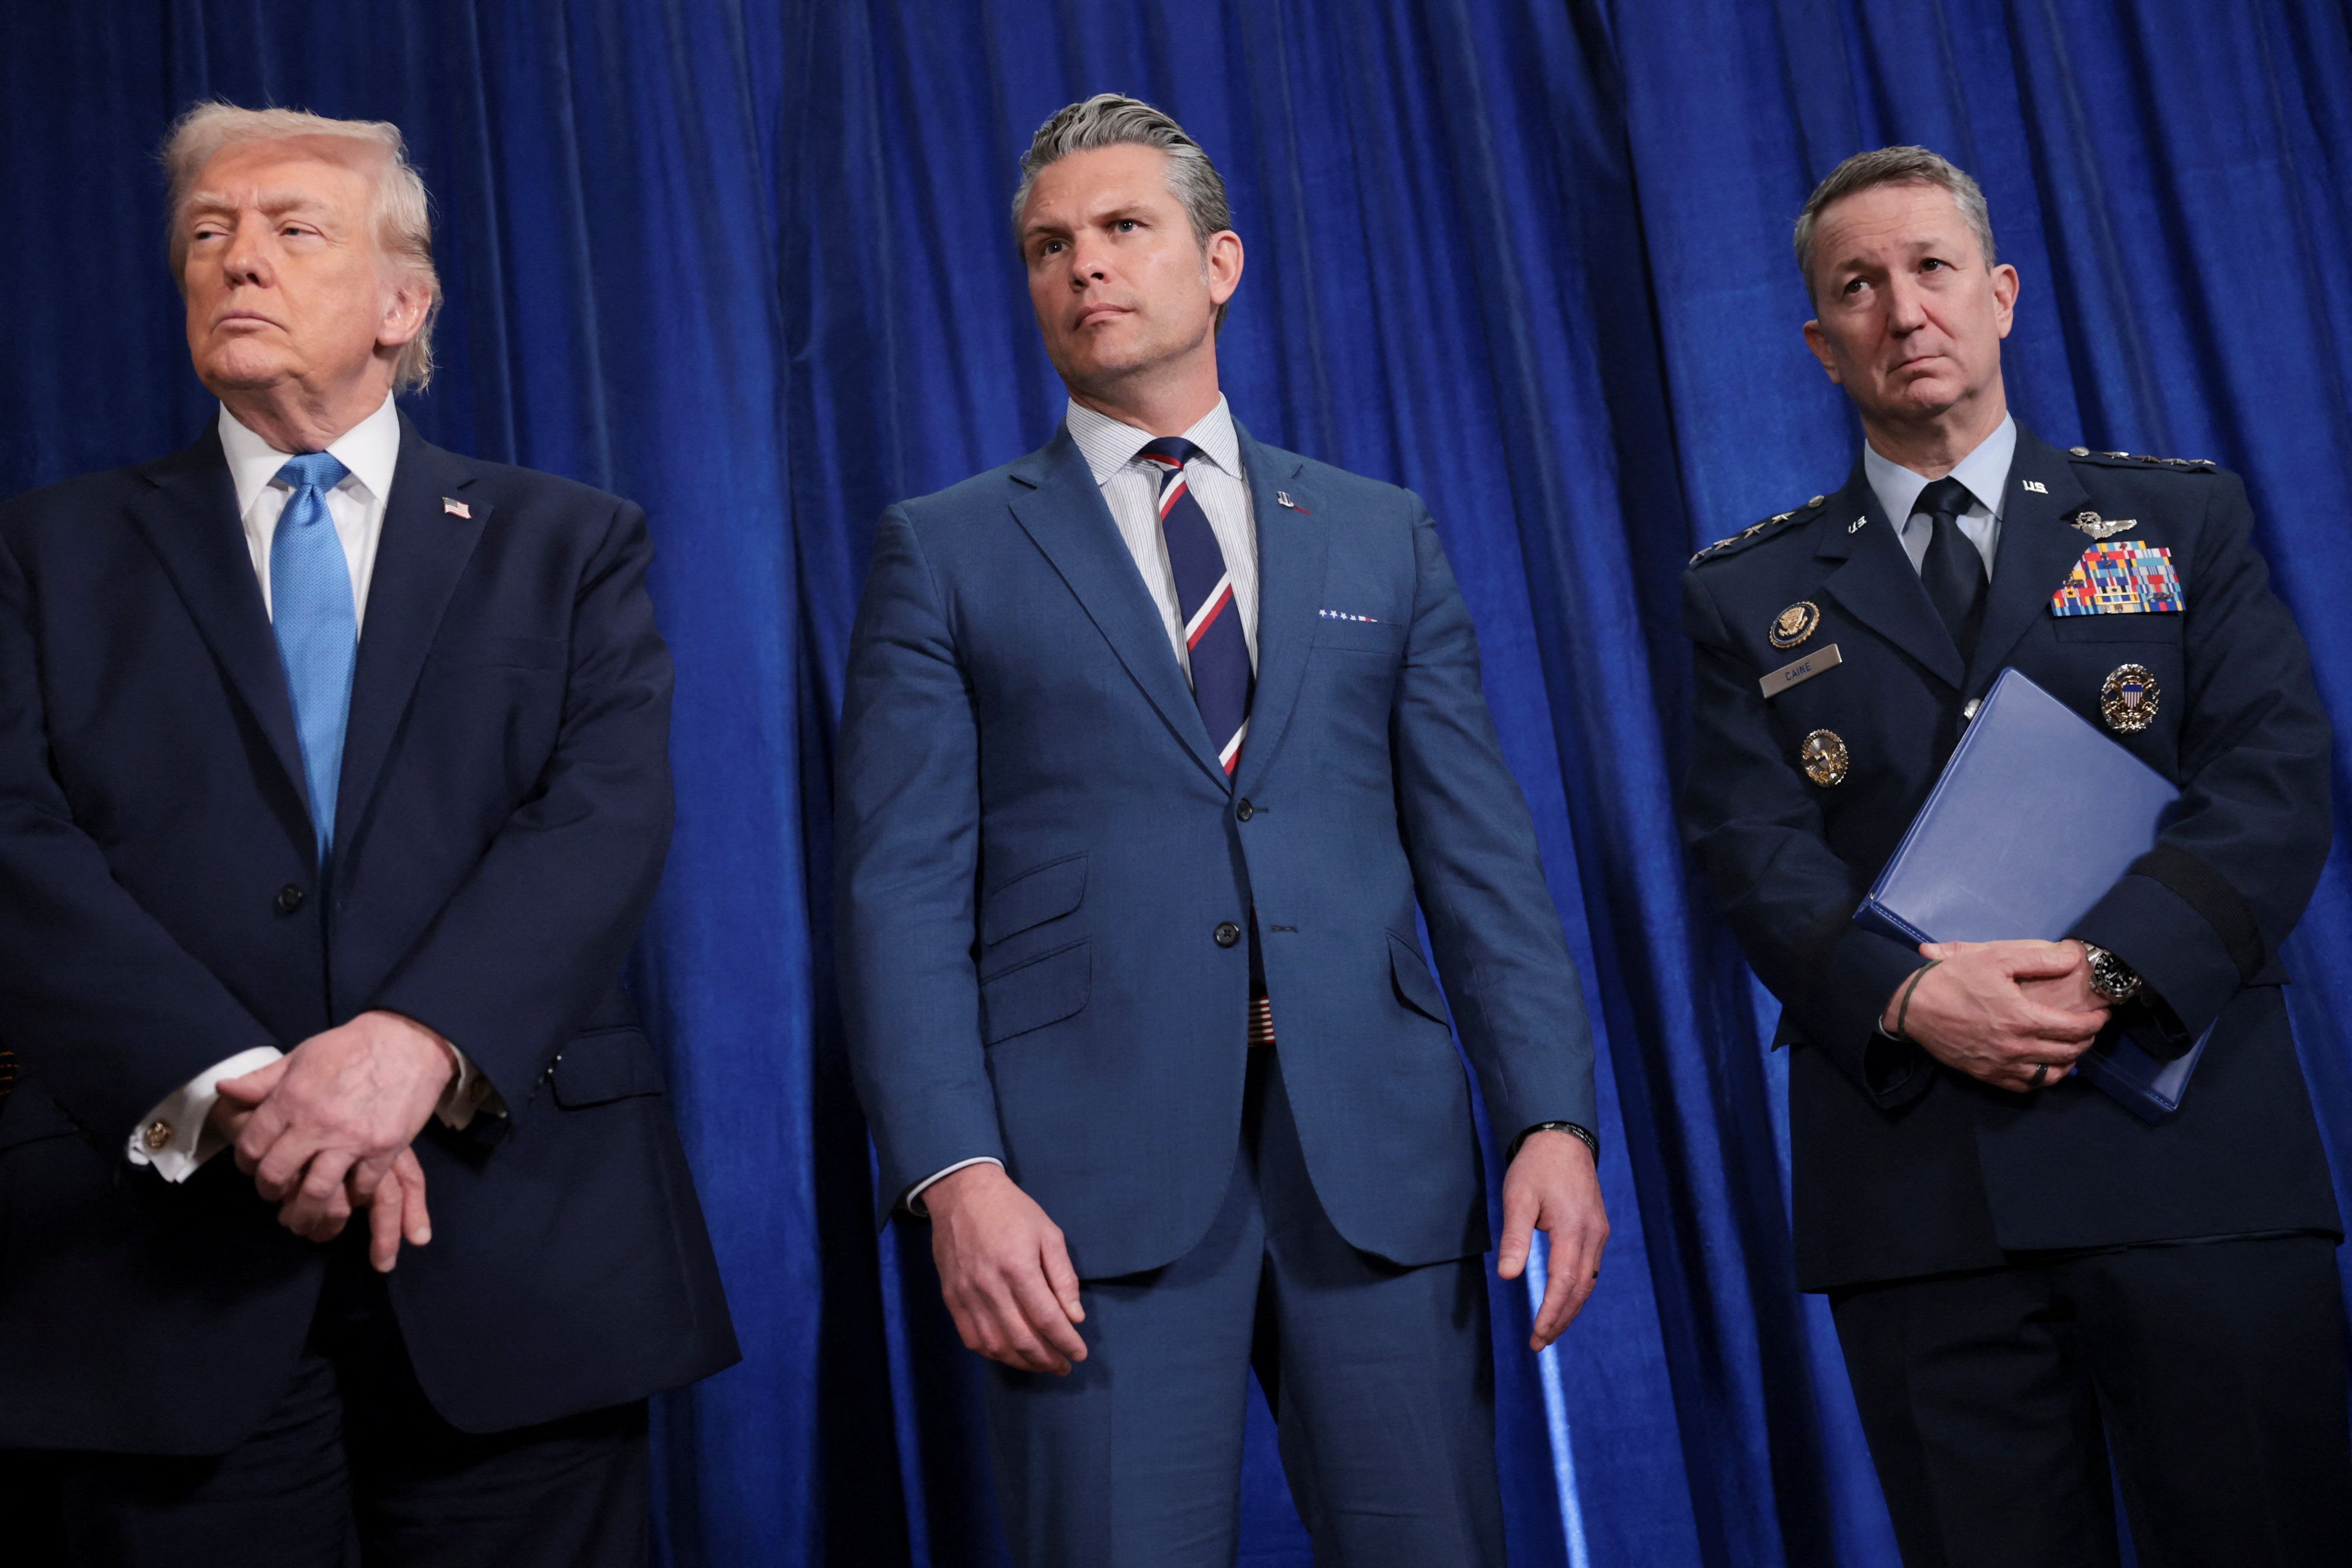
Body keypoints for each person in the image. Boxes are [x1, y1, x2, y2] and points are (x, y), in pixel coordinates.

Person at [835, 94, 1607, 1564]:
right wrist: (956, 1174)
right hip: (1078, 1193)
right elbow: (899, 896)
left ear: (1221, 262)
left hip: (1374, 1171)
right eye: (1050, 246)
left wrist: (1551, 1116)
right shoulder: (944, 550)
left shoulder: (1379, 531)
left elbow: (1481, 856)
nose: (1087, 268)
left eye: (1126, 228)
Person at [0, 104, 737, 1566]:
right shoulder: (47, 552)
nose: (236, 262)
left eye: (290, 229)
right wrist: (238, 1090)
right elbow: (15, 837)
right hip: (157, 1265)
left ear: (404, 305)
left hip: (518, 1252)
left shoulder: (569, 541)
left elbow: (603, 814)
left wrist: (414, 1044)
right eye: (206, 234)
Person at [1680, 145, 2350, 1566]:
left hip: (2192, 1161)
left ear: (2000, 295)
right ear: (1817, 340)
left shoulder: (2180, 518)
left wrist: (2110, 965)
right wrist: (1919, 996)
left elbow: (2275, 780)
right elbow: (1753, 850)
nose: (1901, 308)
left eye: (1930, 269)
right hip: (1925, 1190)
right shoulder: (1744, 594)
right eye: (1857, 286)